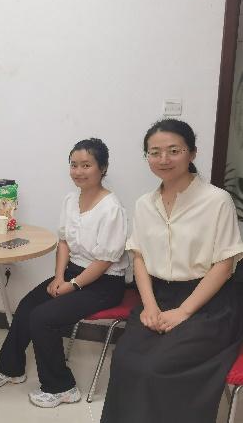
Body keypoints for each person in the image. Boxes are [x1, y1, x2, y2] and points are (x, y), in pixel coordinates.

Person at [101, 119, 243, 423]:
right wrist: (149, 306)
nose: (163, 159)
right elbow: (139, 257)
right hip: (159, 296)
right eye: (155, 152)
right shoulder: (144, 204)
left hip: (209, 302)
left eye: (174, 150)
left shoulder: (217, 201)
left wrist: (184, 312)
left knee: (158, 368)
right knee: (125, 360)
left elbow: (224, 265)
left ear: (192, 153)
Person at [0, 138, 129, 408]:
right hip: (72, 273)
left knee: (43, 318)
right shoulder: (71, 200)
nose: (78, 171)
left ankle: (62, 388)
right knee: (27, 305)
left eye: (86, 165)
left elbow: (105, 261)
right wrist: (60, 277)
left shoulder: (112, 208)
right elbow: (63, 242)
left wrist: (73, 285)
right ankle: (11, 369)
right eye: (74, 165)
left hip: (104, 283)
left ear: (103, 168)